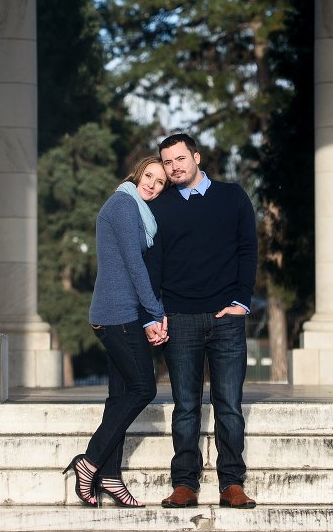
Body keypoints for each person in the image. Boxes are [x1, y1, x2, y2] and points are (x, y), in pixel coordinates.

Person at [145, 132, 258, 510]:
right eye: (167, 162)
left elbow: (247, 248)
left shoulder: (232, 197)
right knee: (186, 406)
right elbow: (154, 263)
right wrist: (155, 312)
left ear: (196, 156)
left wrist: (242, 300)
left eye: (180, 159)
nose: (174, 167)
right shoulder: (159, 207)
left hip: (226, 318)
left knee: (228, 404)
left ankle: (231, 484)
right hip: (179, 318)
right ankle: (184, 485)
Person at [63, 156, 169, 508]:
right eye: (148, 176)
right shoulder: (124, 205)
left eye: (160, 182)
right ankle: (90, 462)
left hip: (119, 313)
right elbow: (134, 265)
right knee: (143, 388)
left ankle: (109, 476)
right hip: (117, 315)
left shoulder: (137, 209)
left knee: (119, 394)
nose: (151, 184)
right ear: (137, 173)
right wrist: (155, 312)